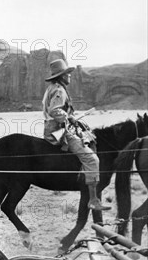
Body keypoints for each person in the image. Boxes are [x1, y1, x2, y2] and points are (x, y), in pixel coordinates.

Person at [42, 58, 110, 211]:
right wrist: (69, 117)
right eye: (67, 74)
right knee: (91, 158)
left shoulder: (53, 88)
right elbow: (55, 110)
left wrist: (69, 116)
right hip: (58, 132)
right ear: (61, 76)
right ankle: (93, 199)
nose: (70, 76)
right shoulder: (59, 90)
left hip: (54, 128)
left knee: (87, 137)